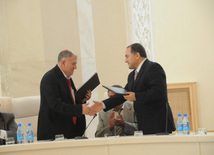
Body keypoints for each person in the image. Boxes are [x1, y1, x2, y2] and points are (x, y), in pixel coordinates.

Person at [92, 43, 175, 135]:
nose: (125, 60)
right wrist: (103, 104)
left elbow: (159, 92)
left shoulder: (154, 68)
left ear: (137, 55)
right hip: (144, 126)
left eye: (127, 56)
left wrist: (136, 96)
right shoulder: (132, 76)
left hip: (158, 124)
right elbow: (123, 94)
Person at [37, 50, 93, 141]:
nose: (76, 67)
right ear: (63, 62)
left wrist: (82, 100)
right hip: (54, 134)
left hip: (70, 132)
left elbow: (70, 100)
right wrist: (80, 109)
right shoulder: (49, 78)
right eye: (73, 64)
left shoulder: (67, 78)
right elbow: (56, 105)